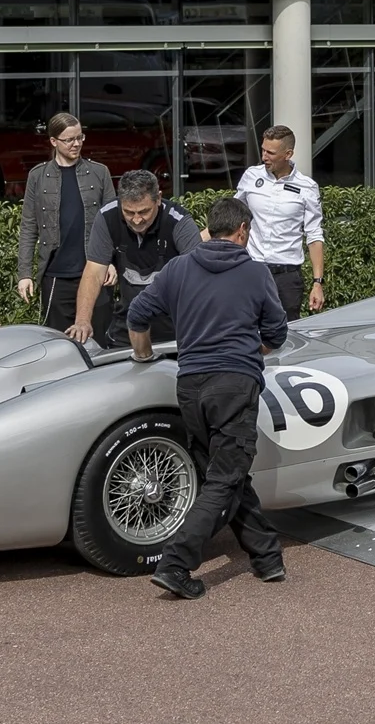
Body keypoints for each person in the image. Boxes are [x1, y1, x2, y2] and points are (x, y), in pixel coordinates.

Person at [127, 195, 289, 597]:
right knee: (224, 477)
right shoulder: (256, 273)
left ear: (209, 229)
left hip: (190, 385)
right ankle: (175, 564)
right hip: (234, 383)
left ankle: (267, 559)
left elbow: (136, 316)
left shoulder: (177, 268)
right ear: (243, 231)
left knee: (227, 475)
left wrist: (144, 355)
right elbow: (276, 334)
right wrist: (252, 352)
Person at [72, 168, 200, 348]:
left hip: (174, 332)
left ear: (158, 199)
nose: (137, 220)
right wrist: (83, 320)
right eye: (129, 212)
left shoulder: (179, 222)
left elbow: (198, 277)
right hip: (126, 329)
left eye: (144, 211)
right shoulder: (107, 216)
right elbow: (94, 272)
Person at [17, 112, 117, 333]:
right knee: (58, 344)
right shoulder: (38, 176)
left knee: (99, 339)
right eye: (69, 139)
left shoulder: (99, 172)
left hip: (95, 271)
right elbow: (28, 227)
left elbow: (114, 223)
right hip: (56, 275)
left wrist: (112, 261)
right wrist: (24, 274)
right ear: (53, 141)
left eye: (80, 138)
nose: (76, 144)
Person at [235, 125, 325, 320]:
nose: (264, 156)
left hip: (287, 277)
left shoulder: (307, 187)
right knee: (244, 331)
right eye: (263, 150)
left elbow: (314, 235)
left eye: (271, 152)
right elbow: (233, 215)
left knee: (286, 337)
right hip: (251, 270)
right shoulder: (251, 176)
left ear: (288, 154)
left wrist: (317, 283)